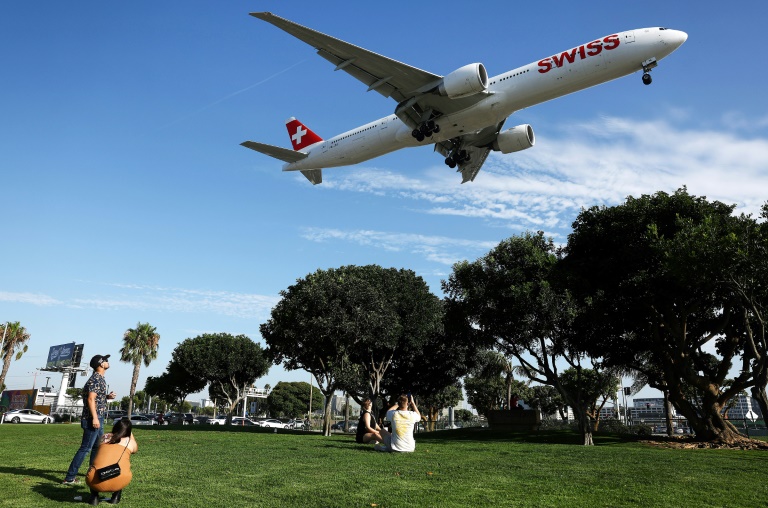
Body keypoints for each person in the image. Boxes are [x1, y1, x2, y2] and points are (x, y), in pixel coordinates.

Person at [63, 354, 117, 485]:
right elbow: (90, 399)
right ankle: (69, 478)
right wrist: (94, 418)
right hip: (93, 418)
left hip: (97, 417)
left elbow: (96, 397)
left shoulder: (100, 379)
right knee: (86, 448)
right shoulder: (95, 379)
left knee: (96, 448)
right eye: (105, 361)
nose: (107, 362)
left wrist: (106, 397)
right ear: (100, 364)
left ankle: (92, 473)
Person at [85, 418, 138, 505]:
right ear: (128, 431)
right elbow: (135, 450)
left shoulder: (105, 437)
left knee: (93, 467)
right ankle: (115, 498)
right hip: (120, 480)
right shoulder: (130, 442)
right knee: (122, 468)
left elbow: (101, 446)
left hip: (94, 480)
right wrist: (130, 433)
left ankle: (94, 498)